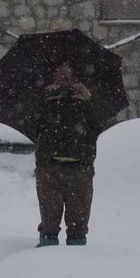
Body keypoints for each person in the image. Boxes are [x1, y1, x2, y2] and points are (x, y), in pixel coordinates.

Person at [34, 63, 102, 247]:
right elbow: (33, 127)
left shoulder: (87, 100)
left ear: (75, 80)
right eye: (59, 77)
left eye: (67, 78)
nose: (63, 81)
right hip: (49, 168)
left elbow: (101, 126)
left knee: (78, 225)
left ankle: (77, 262)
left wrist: (89, 100)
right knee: (49, 222)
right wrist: (45, 99)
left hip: (80, 168)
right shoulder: (47, 98)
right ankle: (46, 258)